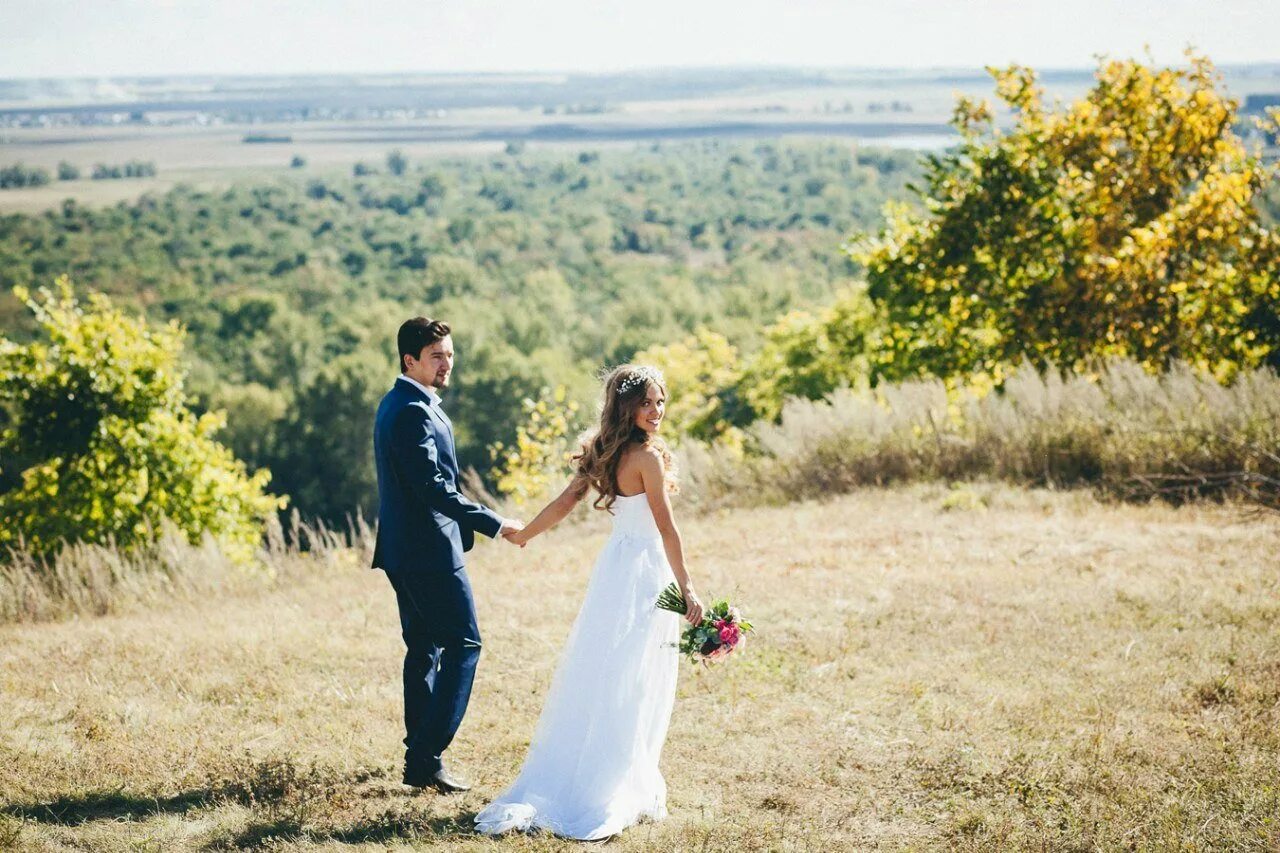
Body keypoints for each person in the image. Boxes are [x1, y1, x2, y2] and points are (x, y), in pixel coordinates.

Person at [474, 363, 704, 840]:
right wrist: (688, 589)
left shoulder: (604, 450)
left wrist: (526, 534)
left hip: (614, 569)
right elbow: (666, 528)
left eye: (660, 401)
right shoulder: (647, 458)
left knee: (606, 668)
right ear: (627, 407)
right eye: (646, 403)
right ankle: (615, 782)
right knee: (635, 675)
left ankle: (612, 771)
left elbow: (564, 503)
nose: (657, 411)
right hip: (645, 571)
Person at [371, 317, 523, 793]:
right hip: (428, 553)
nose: (447, 364)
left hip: (406, 550)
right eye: (436, 356)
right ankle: (425, 756)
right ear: (409, 360)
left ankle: (419, 754)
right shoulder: (411, 411)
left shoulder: (398, 402)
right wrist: (494, 523)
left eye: (450, 354)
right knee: (464, 645)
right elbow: (434, 489)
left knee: (424, 648)